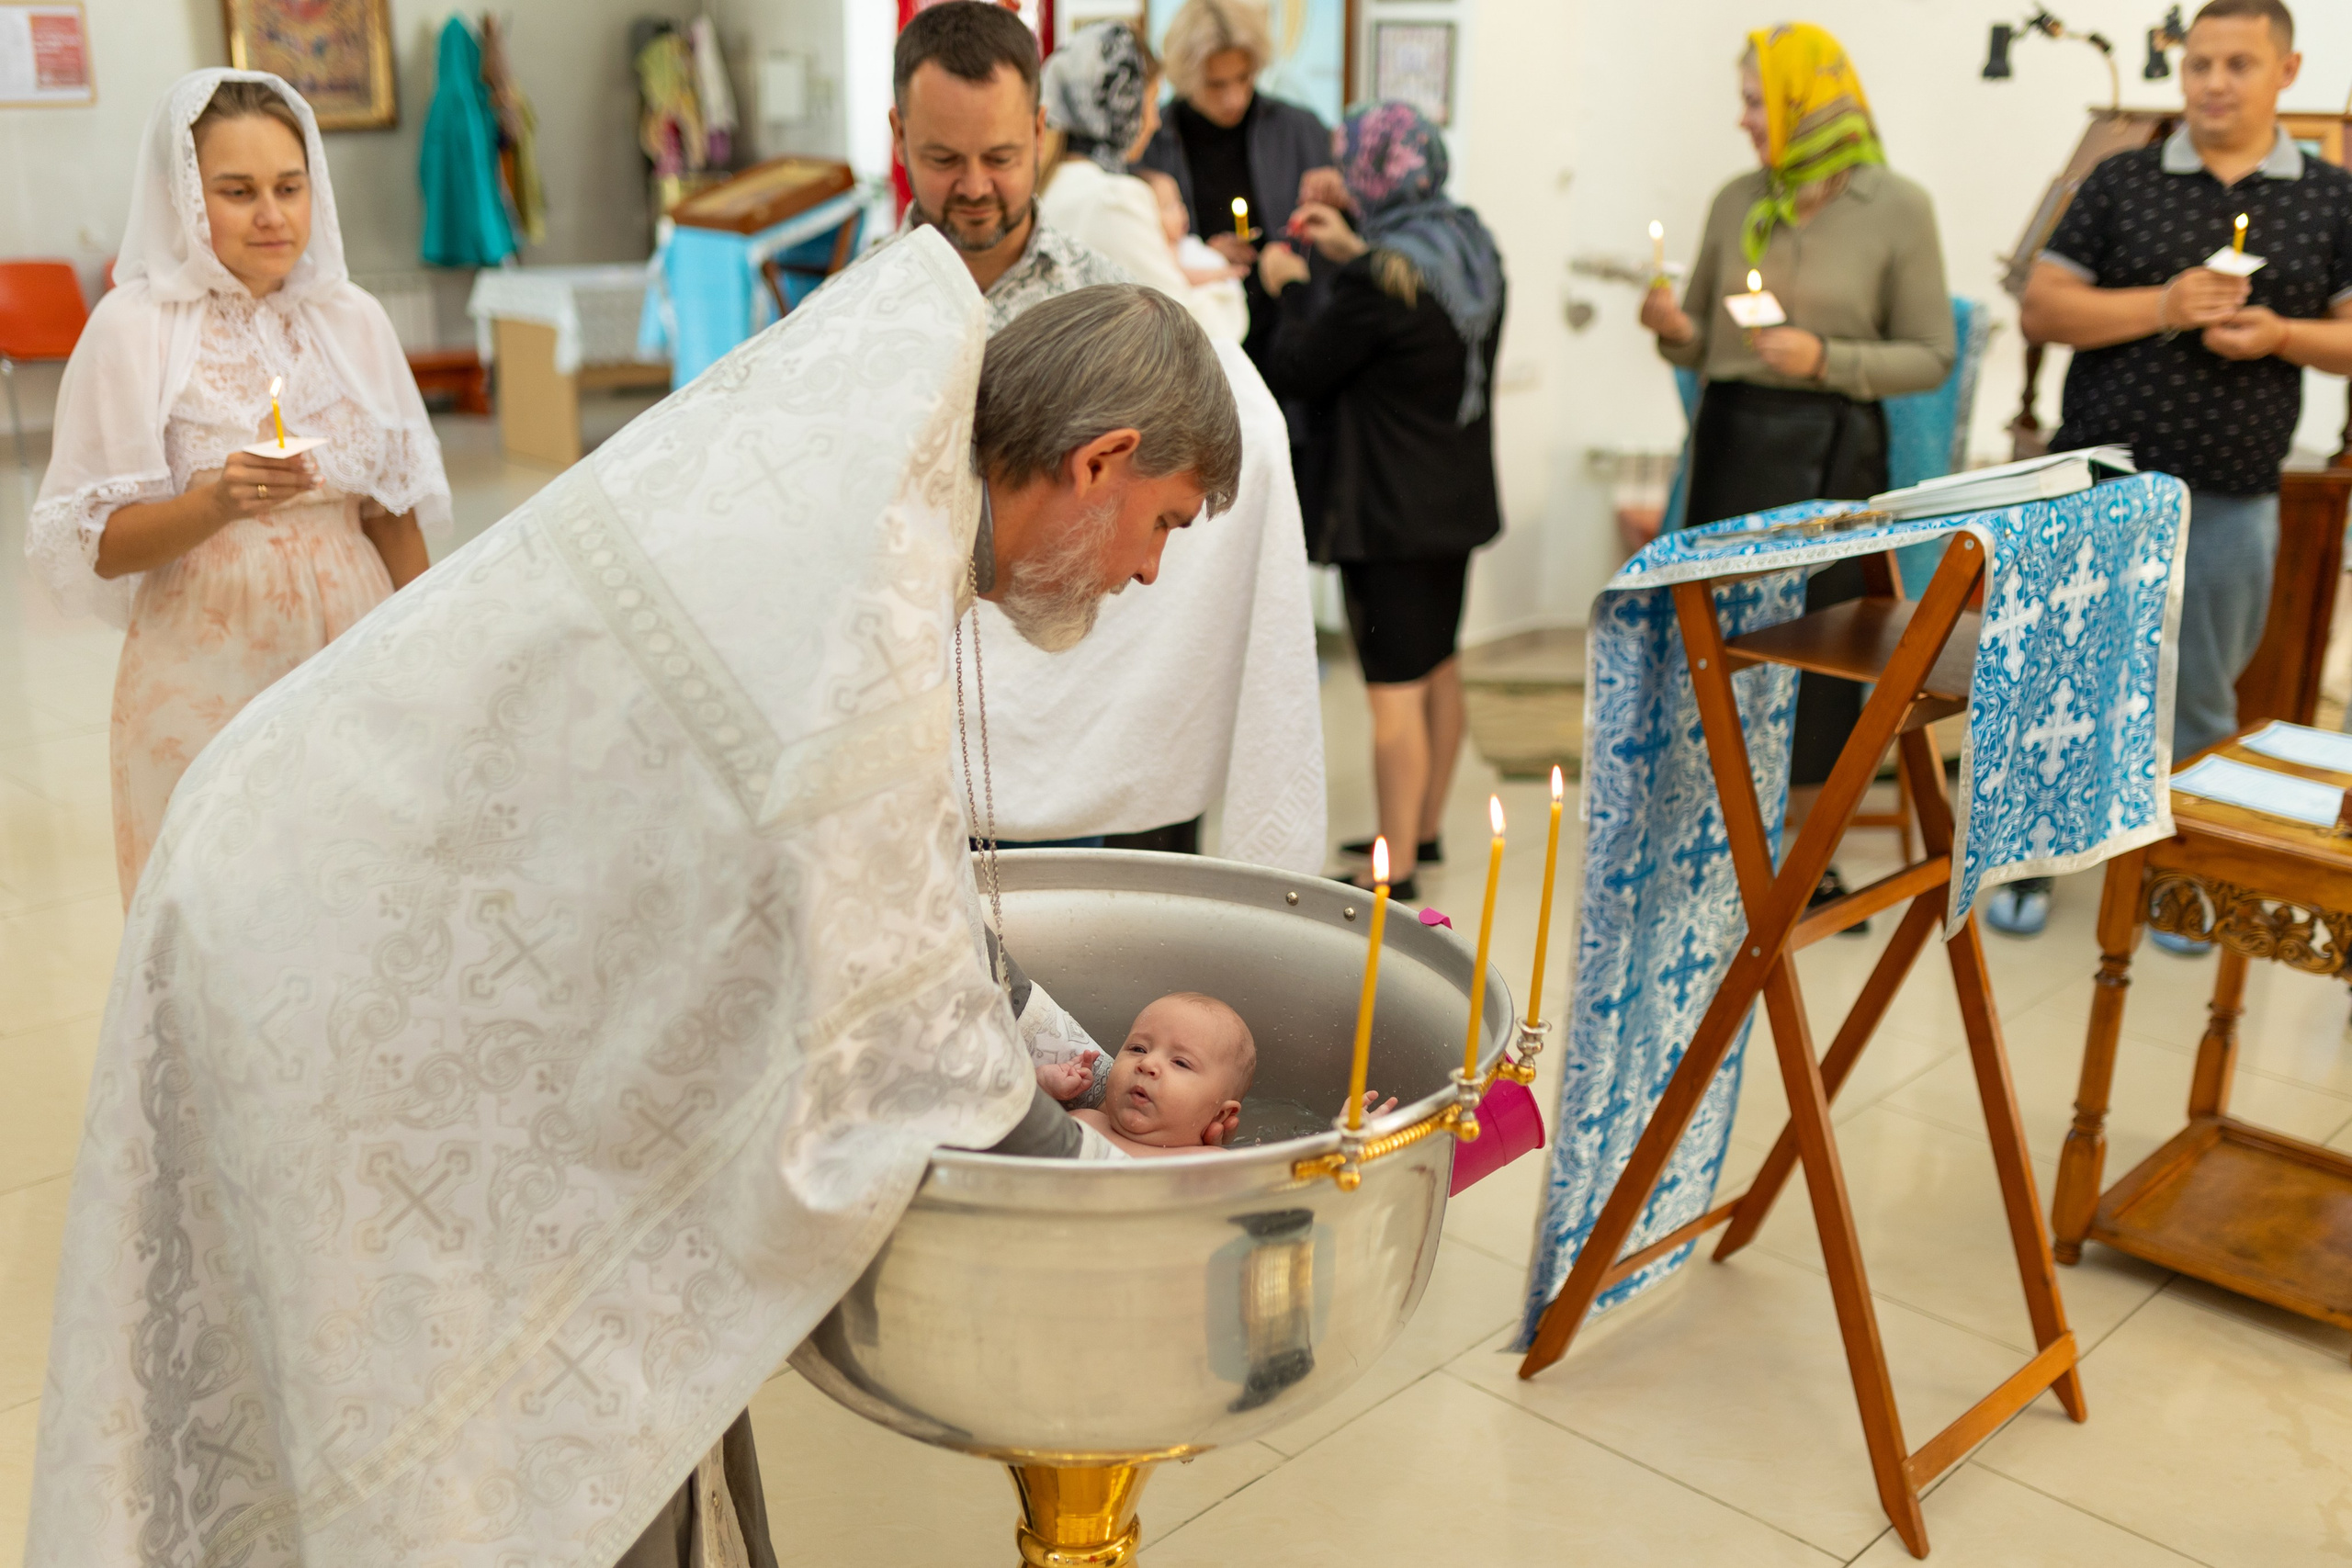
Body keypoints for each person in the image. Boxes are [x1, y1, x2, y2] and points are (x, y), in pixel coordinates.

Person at [25, 243, 1241, 1568]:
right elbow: (892, 998)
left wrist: (1051, 1038)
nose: (1151, 574)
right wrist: (1114, 1191)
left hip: (333, 854)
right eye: (1167, 522)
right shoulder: (872, 563)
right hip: (321, 938)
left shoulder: (887, 479)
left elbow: (895, 880)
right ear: (1102, 459)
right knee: (469, 1444)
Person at [881, 1, 1326, 878]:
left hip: (1090, 724)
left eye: (1001, 157)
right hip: (914, 742)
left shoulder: (1113, 308)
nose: (974, 185)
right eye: (942, 158)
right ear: (898, 135)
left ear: (1041, 131)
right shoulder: (860, 316)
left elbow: (1244, 441)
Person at [25, 70, 448, 905]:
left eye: (289, 187)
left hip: (352, 643)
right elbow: (98, 544)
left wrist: (434, 649)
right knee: (225, 906)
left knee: (364, 890)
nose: (272, 215)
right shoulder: (133, 329)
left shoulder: (351, 318)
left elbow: (391, 514)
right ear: (182, 195)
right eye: (237, 190)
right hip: (205, 656)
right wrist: (214, 501)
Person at [2002, 0, 2352, 941]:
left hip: (2232, 492)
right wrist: (2162, 303)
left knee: (2199, 695)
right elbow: (2041, 307)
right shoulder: (2122, 177)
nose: (2212, 82)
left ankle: (2181, 886)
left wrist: (2280, 334)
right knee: (2056, 679)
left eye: (2237, 63)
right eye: (2198, 63)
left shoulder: (2330, 196)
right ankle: (2034, 860)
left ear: (2287, 71)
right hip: (2094, 487)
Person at [1638, 23, 1952, 921]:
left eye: (1754, 101)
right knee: (1719, 644)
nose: (1742, 122)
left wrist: (1827, 357)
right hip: (1734, 443)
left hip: (1833, 451)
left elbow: (1930, 354)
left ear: (1804, 102)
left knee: (1820, 658)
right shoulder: (1736, 198)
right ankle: (1711, 837)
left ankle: (1806, 855)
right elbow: (1701, 334)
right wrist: (1668, 326)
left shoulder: (1898, 207)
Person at [1257, 103, 1505, 901]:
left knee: (1391, 696)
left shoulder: (1377, 280)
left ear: (1373, 171)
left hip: (1388, 516)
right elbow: (1409, 317)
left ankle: (1389, 873)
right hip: (1455, 504)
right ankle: (1422, 827)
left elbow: (1301, 367)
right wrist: (1355, 252)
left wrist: (1293, 288)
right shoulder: (1469, 248)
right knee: (1438, 665)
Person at [1136, 0, 1336, 375]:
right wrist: (1200, 255)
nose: (1234, 99)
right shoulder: (1152, 140)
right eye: (1216, 85)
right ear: (1187, 77)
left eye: (1244, 78)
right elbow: (1137, 258)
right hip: (1196, 347)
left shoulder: (1300, 130)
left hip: (1288, 342)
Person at [1037, 20, 1247, 343]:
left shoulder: (1049, 184)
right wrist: (1227, 287)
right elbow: (1190, 332)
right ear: (1121, 106)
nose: (1155, 121)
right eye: (1149, 104)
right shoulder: (1112, 198)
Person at [1039, 991, 1258, 1155]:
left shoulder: (1208, 1165)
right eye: (1138, 1049)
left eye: (1181, 1063)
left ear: (1220, 1114)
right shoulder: (1081, 1121)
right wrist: (1041, 1087)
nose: (1147, 1063)